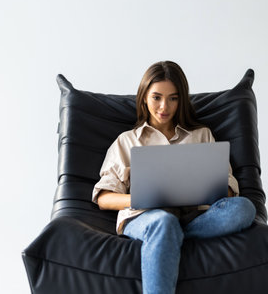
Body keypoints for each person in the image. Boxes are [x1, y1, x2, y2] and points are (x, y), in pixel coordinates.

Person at [92, 61, 256, 294]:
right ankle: (167, 232)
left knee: (244, 208)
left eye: (173, 98)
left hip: (195, 215)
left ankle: (172, 236)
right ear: (144, 98)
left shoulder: (201, 135)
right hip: (147, 216)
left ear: (182, 100)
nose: (164, 107)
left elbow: (228, 190)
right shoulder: (127, 141)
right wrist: (146, 199)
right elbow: (104, 198)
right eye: (156, 97)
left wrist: (204, 189)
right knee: (163, 222)